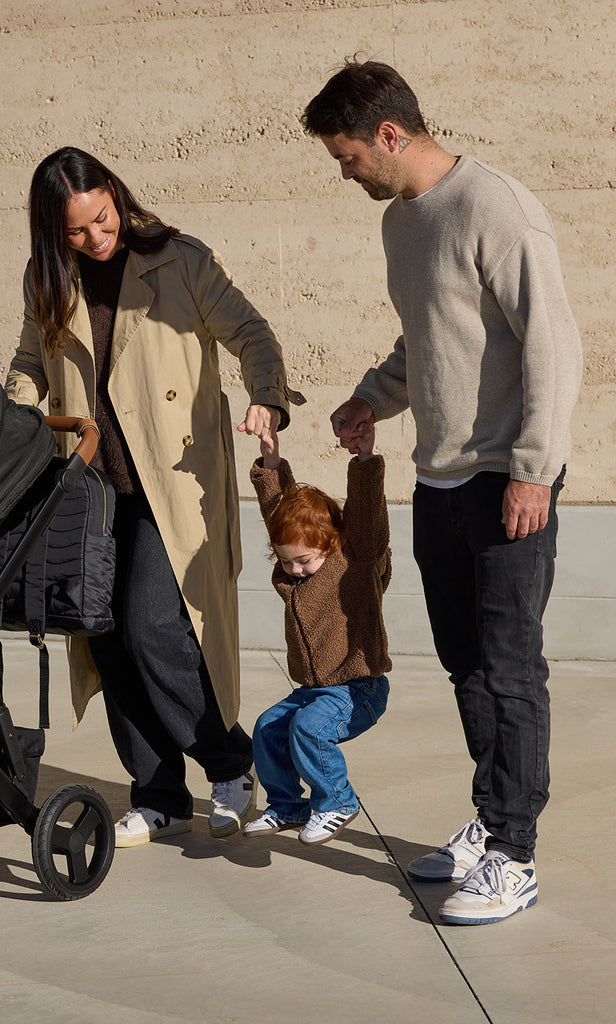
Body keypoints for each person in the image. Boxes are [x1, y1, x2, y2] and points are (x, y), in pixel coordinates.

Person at [302, 59, 582, 923]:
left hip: (507, 478)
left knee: (508, 670)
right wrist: (371, 397)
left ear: (390, 134)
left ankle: (515, 854)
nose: (343, 172)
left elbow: (554, 345)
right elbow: (426, 338)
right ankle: (492, 818)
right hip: (439, 477)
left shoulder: (497, 207)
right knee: (465, 666)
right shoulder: (403, 225)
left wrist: (534, 467)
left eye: (347, 156)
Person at [5, 146, 305, 847]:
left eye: (101, 219)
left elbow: (250, 332)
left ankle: (229, 763)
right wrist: (16, 415)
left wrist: (268, 397)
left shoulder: (180, 260)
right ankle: (157, 790)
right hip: (88, 485)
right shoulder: (46, 279)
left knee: (150, 627)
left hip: (169, 482)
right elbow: (28, 361)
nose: (94, 238)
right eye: (76, 231)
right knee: (106, 639)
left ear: (113, 193)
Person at [244, 423, 391, 845]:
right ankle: (288, 805)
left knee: (309, 728)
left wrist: (364, 461)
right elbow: (279, 513)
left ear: (332, 543)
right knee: (269, 727)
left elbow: (367, 517)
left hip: (358, 689)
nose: (293, 571)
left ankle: (338, 801)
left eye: (303, 561)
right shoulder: (294, 573)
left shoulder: (356, 562)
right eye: (285, 562)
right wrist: (272, 461)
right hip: (313, 690)